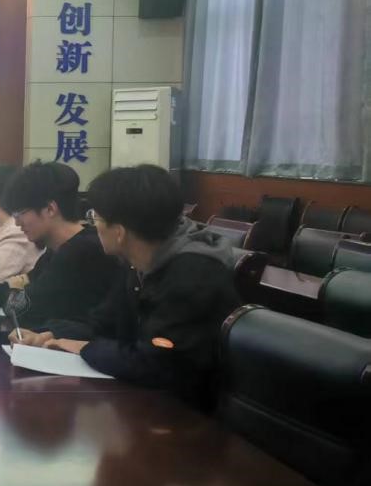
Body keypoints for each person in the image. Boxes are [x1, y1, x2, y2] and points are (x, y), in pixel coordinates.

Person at [12, 165, 240, 409]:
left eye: (96, 218)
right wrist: (50, 335)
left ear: (119, 232)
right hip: (145, 400)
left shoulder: (193, 276)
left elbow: (157, 362)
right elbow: (101, 323)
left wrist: (87, 348)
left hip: (188, 414)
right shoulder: (138, 265)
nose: (93, 226)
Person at [0, 161, 119, 331]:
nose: (17, 223)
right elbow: (29, 280)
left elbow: (25, 308)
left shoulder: (82, 252)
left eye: (19, 213)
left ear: (50, 209)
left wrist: (3, 293)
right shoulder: (58, 248)